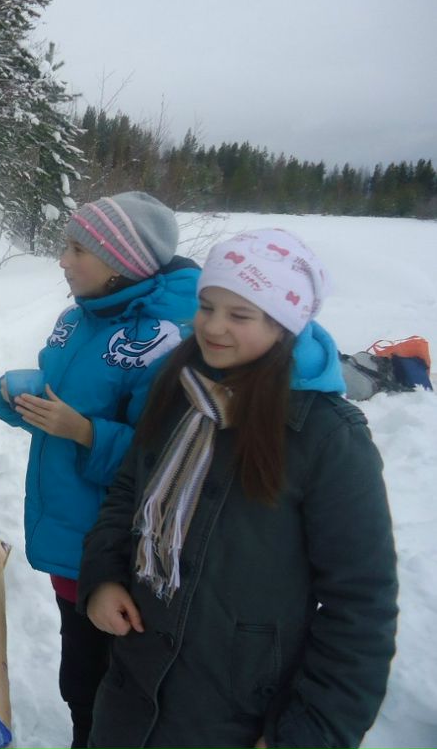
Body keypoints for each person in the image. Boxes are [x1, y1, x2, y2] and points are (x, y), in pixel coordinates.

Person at [80, 229, 398, 749]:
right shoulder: (180, 386)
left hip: (235, 714)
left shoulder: (328, 437)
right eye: (207, 307)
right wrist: (104, 577)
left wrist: (306, 735)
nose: (214, 327)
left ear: (284, 324)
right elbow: (128, 493)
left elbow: (361, 607)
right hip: (130, 694)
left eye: (240, 315)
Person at [0, 192, 200, 748]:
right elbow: (59, 391)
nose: (63, 259)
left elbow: (167, 461)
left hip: (118, 555)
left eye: (77, 248)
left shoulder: (163, 341)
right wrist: (19, 396)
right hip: (70, 538)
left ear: (120, 265)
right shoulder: (76, 318)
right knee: (80, 677)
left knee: (111, 689)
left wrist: (84, 431)